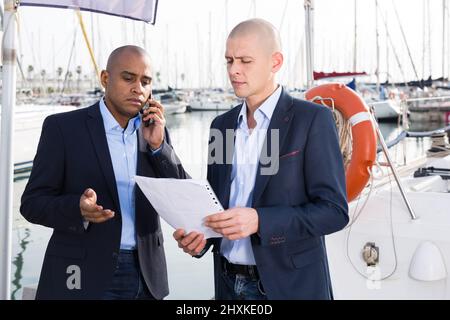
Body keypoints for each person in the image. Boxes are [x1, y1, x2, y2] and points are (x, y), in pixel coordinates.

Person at [174, 19, 349, 300]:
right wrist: (201, 237)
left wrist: (260, 220)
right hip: (227, 285)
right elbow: (216, 201)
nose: (234, 71)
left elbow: (334, 211)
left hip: (288, 287)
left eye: (245, 61)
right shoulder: (222, 126)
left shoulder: (311, 120)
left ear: (275, 62)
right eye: (229, 61)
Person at [20, 45, 188, 300]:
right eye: (128, 78)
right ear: (105, 79)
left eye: (146, 82)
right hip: (81, 274)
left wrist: (159, 147)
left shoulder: (155, 133)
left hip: (147, 278)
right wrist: (77, 208)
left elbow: (181, 196)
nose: (138, 89)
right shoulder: (63, 129)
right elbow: (32, 204)